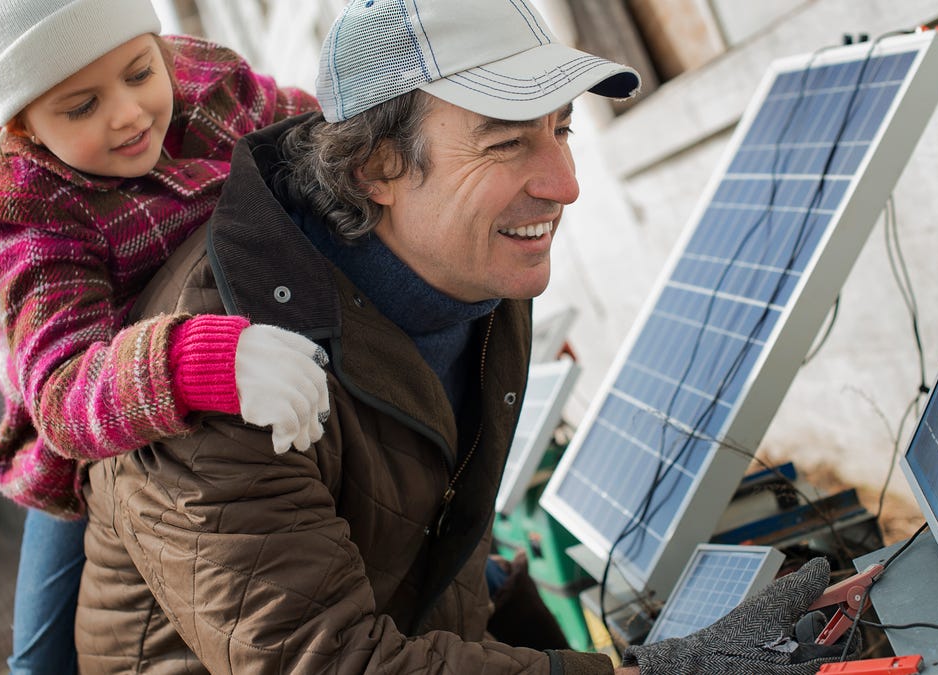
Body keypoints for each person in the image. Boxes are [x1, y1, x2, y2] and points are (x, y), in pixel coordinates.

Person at [76, 0, 850, 672]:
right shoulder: (225, 377)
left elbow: (434, 550)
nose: (565, 182)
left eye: (562, 127)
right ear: (376, 166)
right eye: (509, 140)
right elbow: (325, 659)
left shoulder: (468, 271)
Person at [0, 1, 332, 672]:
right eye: (80, 107)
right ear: (26, 127)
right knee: (43, 655)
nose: (128, 113)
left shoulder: (209, 85)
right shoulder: (30, 203)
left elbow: (304, 135)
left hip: (247, 308)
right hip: (100, 395)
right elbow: (65, 392)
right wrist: (200, 359)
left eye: (139, 71)